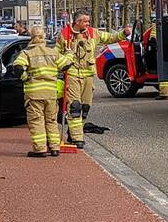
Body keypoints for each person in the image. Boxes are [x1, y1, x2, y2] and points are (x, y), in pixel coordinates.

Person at [55, 13, 130, 148]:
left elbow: (111, 38)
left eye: (88, 21)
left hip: (88, 76)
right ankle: (78, 138)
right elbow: (56, 54)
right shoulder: (65, 35)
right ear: (77, 22)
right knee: (75, 107)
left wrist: (123, 34)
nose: (88, 24)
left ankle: (73, 133)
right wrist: (62, 64)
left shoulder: (93, 33)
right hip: (72, 75)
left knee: (85, 107)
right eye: (85, 21)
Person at [12, 26, 73, 157]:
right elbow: (66, 65)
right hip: (51, 93)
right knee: (51, 120)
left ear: (31, 37)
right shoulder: (52, 52)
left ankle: (40, 149)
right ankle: (55, 148)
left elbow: (17, 69)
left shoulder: (26, 53)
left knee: (36, 121)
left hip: (34, 94)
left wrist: (25, 78)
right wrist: (69, 53)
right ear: (44, 36)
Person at [148, 22, 168, 100]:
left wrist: (155, 51)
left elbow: (152, 41)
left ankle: (164, 94)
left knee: (162, 72)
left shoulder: (156, 26)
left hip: (161, 51)